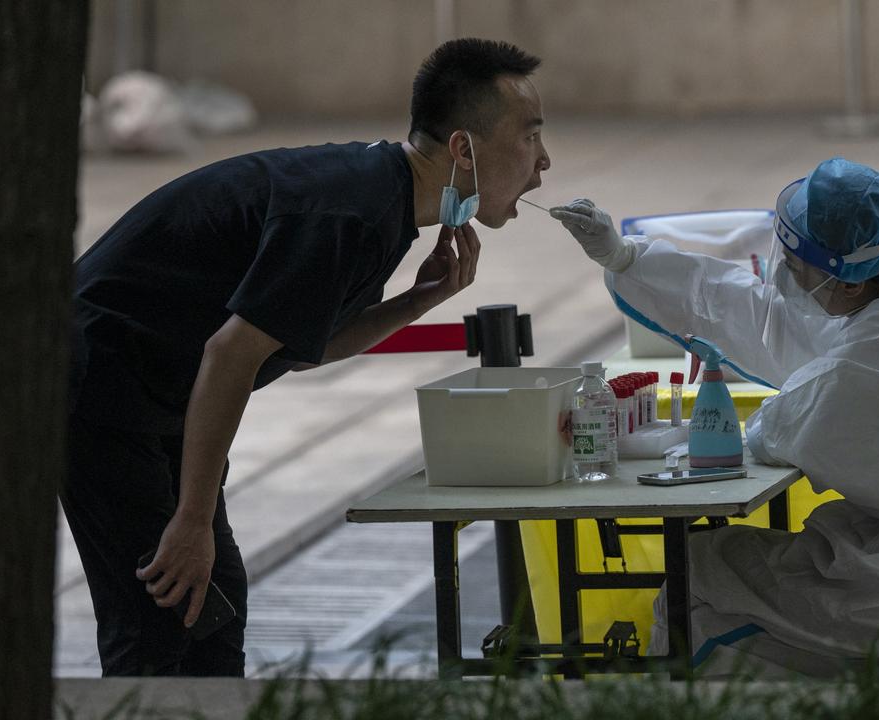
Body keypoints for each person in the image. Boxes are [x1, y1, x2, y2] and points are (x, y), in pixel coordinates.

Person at [64, 38, 550, 676]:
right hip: (100, 388)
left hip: (155, 393)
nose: (544, 162)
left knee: (216, 605)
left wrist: (419, 299)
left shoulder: (382, 200)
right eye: (529, 136)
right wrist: (191, 517)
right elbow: (231, 356)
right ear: (463, 147)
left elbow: (300, 345)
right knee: (161, 615)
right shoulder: (352, 212)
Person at [550, 157, 879, 677]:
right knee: (713, 569)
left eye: (793, 263)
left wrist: (709, 431)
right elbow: (764, 316)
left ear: (848, 280)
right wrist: (626, 257)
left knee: (695, 581)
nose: (782, 275)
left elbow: (775, 430)